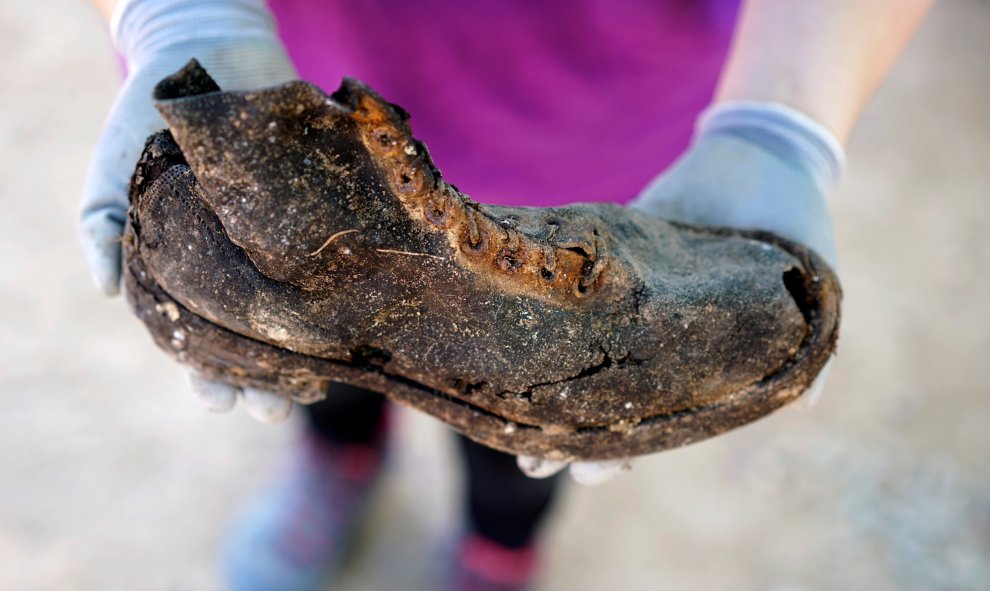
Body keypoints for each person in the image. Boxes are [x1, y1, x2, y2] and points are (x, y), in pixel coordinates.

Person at [79, 1, 932, 589]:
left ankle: (497, 542)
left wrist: (780, 124)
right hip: (292, 102)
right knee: (310, 331)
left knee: (536, 406)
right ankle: (338, 460)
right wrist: (185, 14)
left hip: (603, 117)